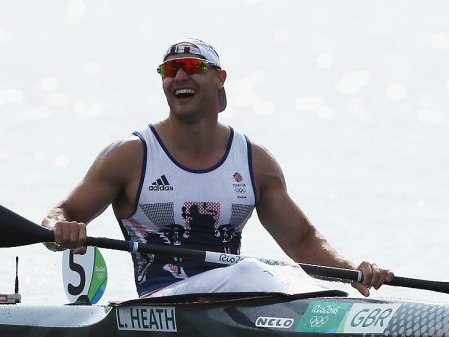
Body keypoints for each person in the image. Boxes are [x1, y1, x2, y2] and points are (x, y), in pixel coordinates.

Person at [42, 38, 393, 298]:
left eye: (192, 67)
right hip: (162, 302)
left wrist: (351, 272)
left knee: (287, 274)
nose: (179, 76)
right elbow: (61, 213)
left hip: (238, 299)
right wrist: (61, 228)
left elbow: (302, 240)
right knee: (260, 273)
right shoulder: (131, 156)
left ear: (219, 78)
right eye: (169, 70)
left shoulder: (255, 161)